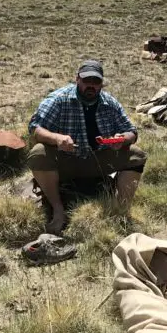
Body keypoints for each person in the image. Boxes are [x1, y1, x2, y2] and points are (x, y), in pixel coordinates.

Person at [27, 59, 146, 235]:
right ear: (77, 79)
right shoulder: (59, 99)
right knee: (38, 154)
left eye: (96, 82)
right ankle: (58, 210)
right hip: (66, 161)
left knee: (136, 156)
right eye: (86, 80)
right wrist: (57, 138)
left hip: (98, 161)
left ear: (101, 84)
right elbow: (34, 128)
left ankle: (120, 210)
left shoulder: (109, 103)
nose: (91, 85)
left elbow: (132, 132)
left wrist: (123, 139)